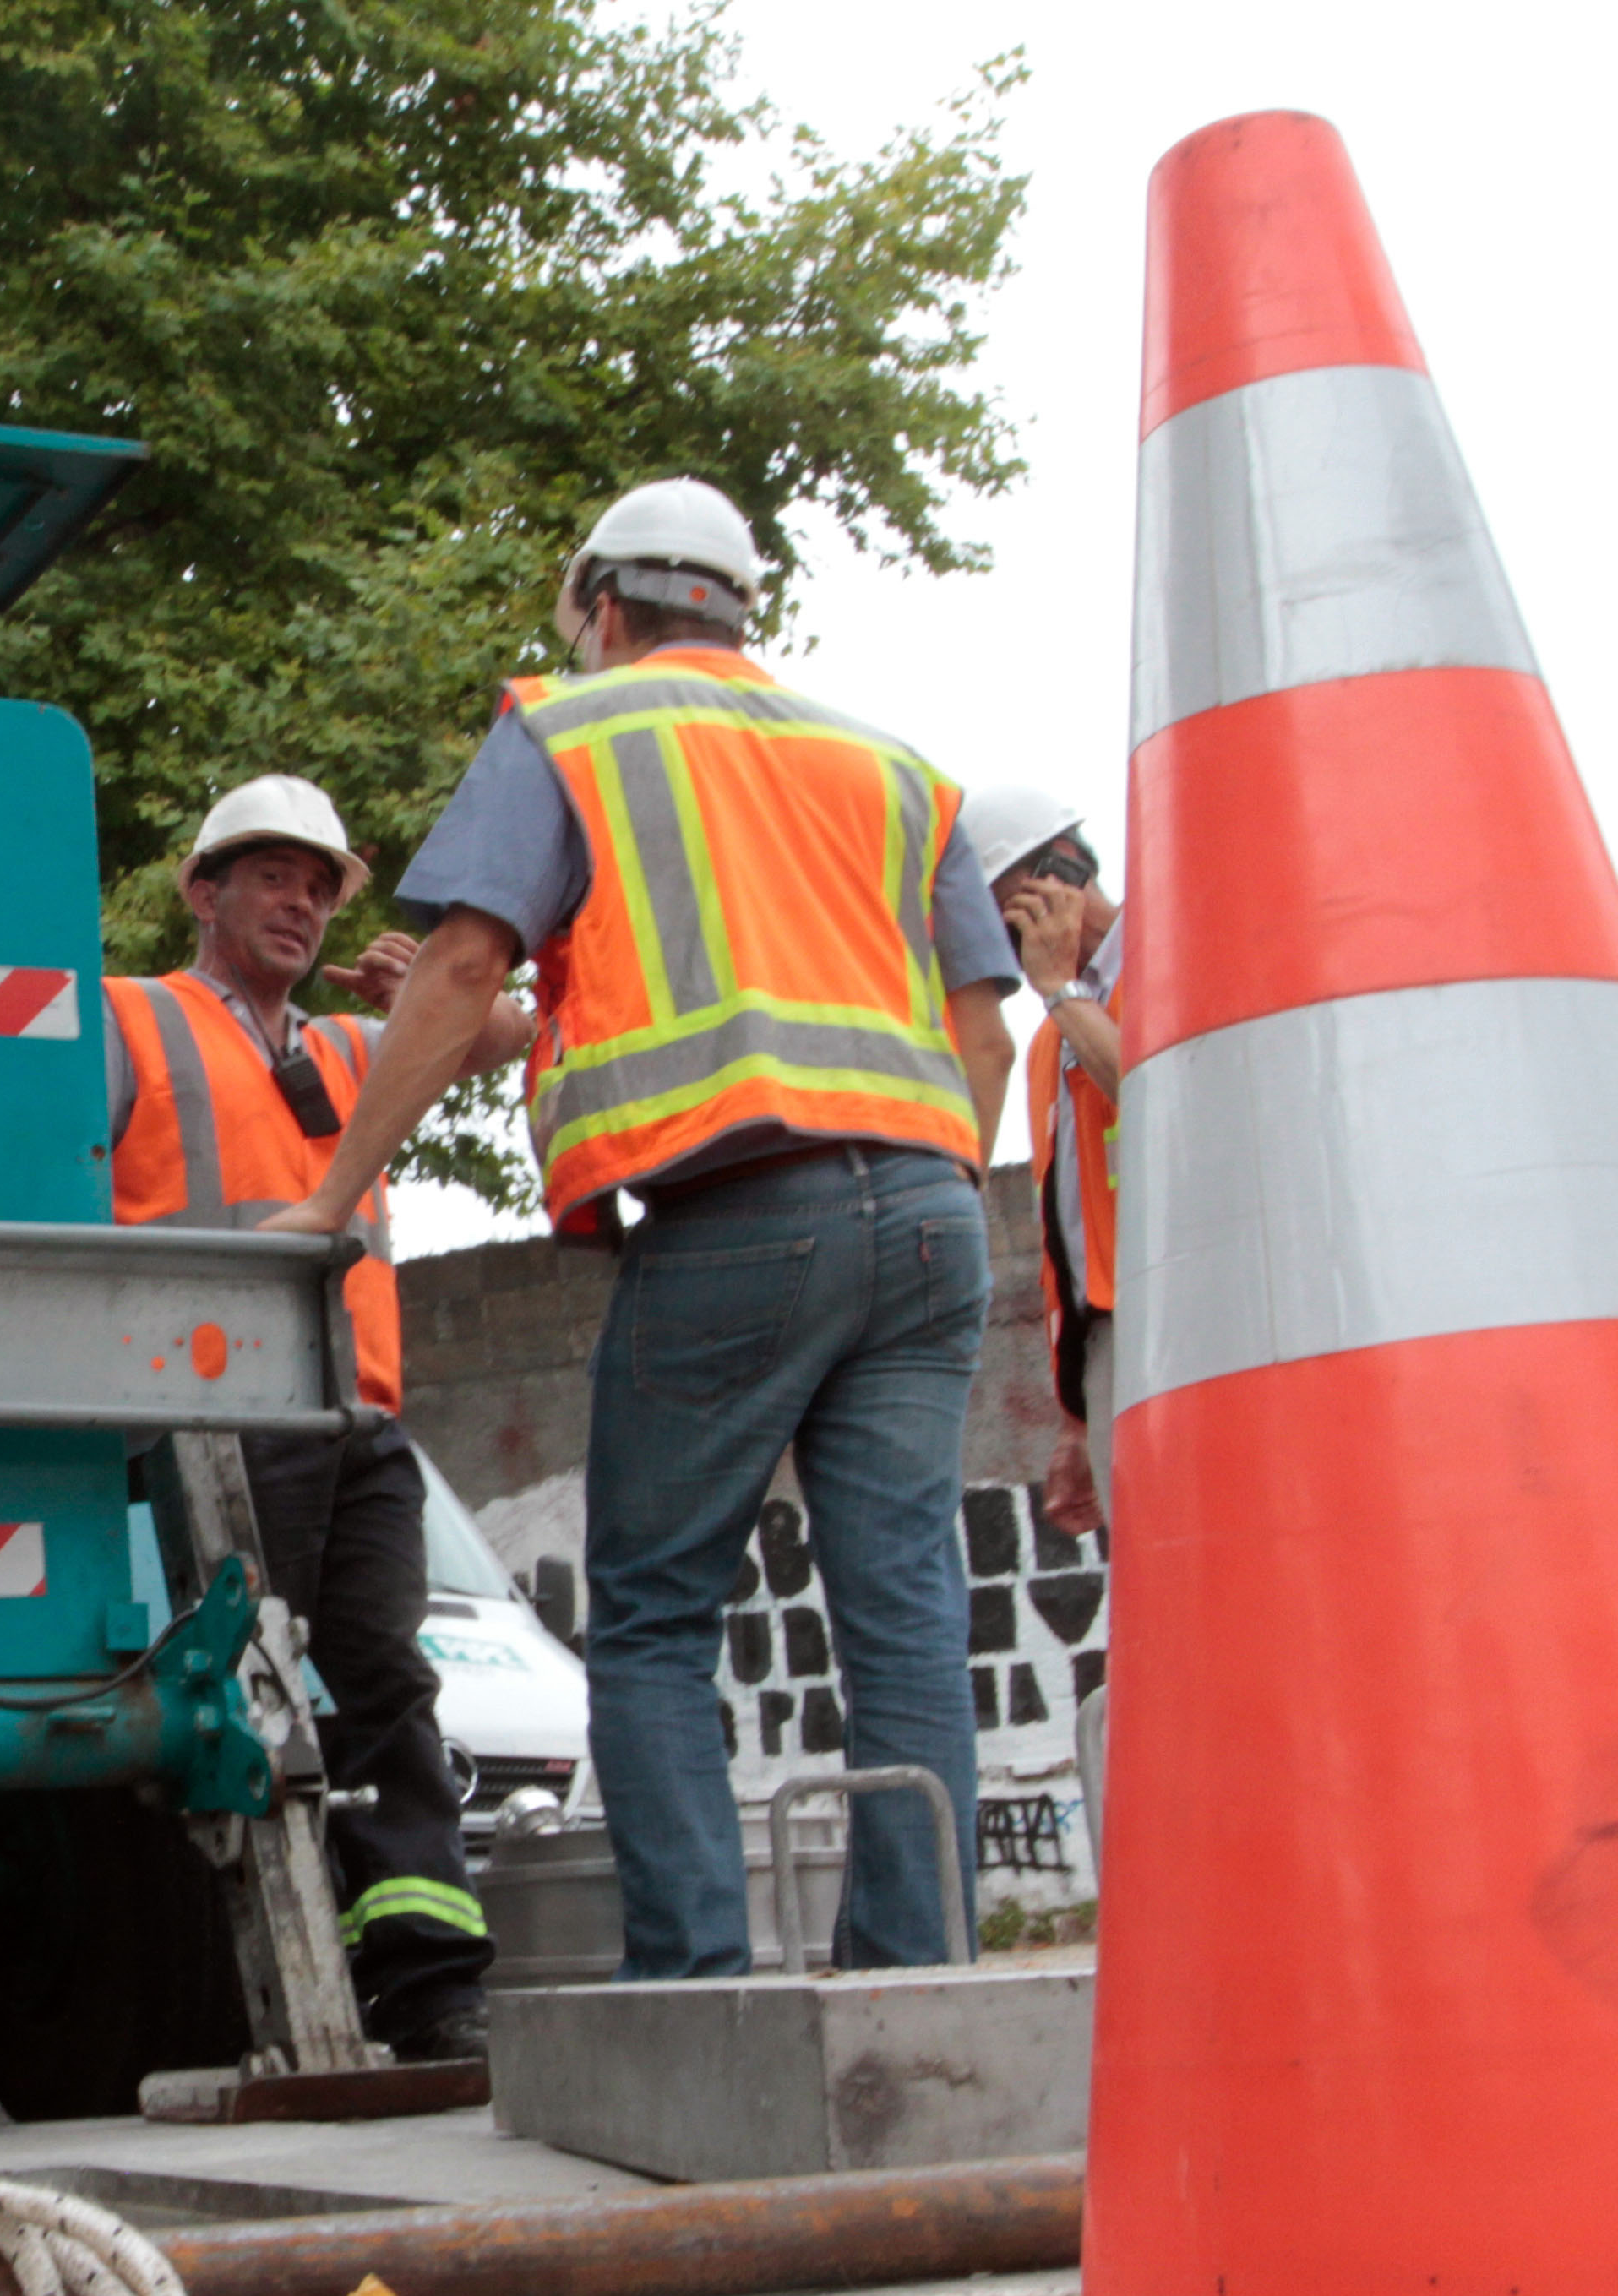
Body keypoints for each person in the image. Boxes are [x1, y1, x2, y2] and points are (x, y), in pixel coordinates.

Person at [265, 482, 1022, 1978]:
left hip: (740, 1212)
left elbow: (462, 961)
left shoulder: (572, 729)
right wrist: (912, 1192)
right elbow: (977, 1033)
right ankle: (913, 1976)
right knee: (903, 1619)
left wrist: (330, 1199)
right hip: (934, 1214)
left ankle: (691, 1983)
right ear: (736, 608)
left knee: (658, 1618)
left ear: (599, 607)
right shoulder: (890, 770)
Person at [109, 775, 529, 2060]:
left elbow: (512, 1034)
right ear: (204, 892)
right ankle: (217, 1991)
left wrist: (434, 1000)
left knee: (388, 1684)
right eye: (272, 875)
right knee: (232, 1698)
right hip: (213, 1420)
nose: (301, 902)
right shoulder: (132, 1020)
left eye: (321, 883)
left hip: (358, 1421)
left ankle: (423, 1974)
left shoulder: (358, 1052)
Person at [961, 786, 1125, 1845]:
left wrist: (1062, 989)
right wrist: (1074, 1408)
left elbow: (1174, 1090)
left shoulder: (1174, 954)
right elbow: (1070, 1232)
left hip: (1192, 1327)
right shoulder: (1051, 1037)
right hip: (1115, 1346)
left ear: (1047, 885)